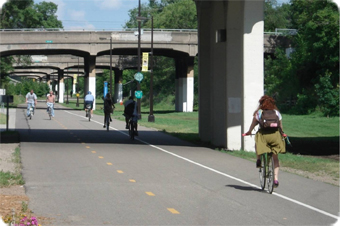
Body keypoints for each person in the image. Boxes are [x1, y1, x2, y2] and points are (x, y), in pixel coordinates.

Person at [244, 95, 286, 188]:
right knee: (275, 158)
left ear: (261, 103)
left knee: (257, 142)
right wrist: (282, 133)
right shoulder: (276, 112)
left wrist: (249, 132)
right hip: (275, 136)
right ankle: (275, 179)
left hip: (263, 136)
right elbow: (280, 126)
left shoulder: (259, 113)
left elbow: (253, 125)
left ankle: (258, 159)